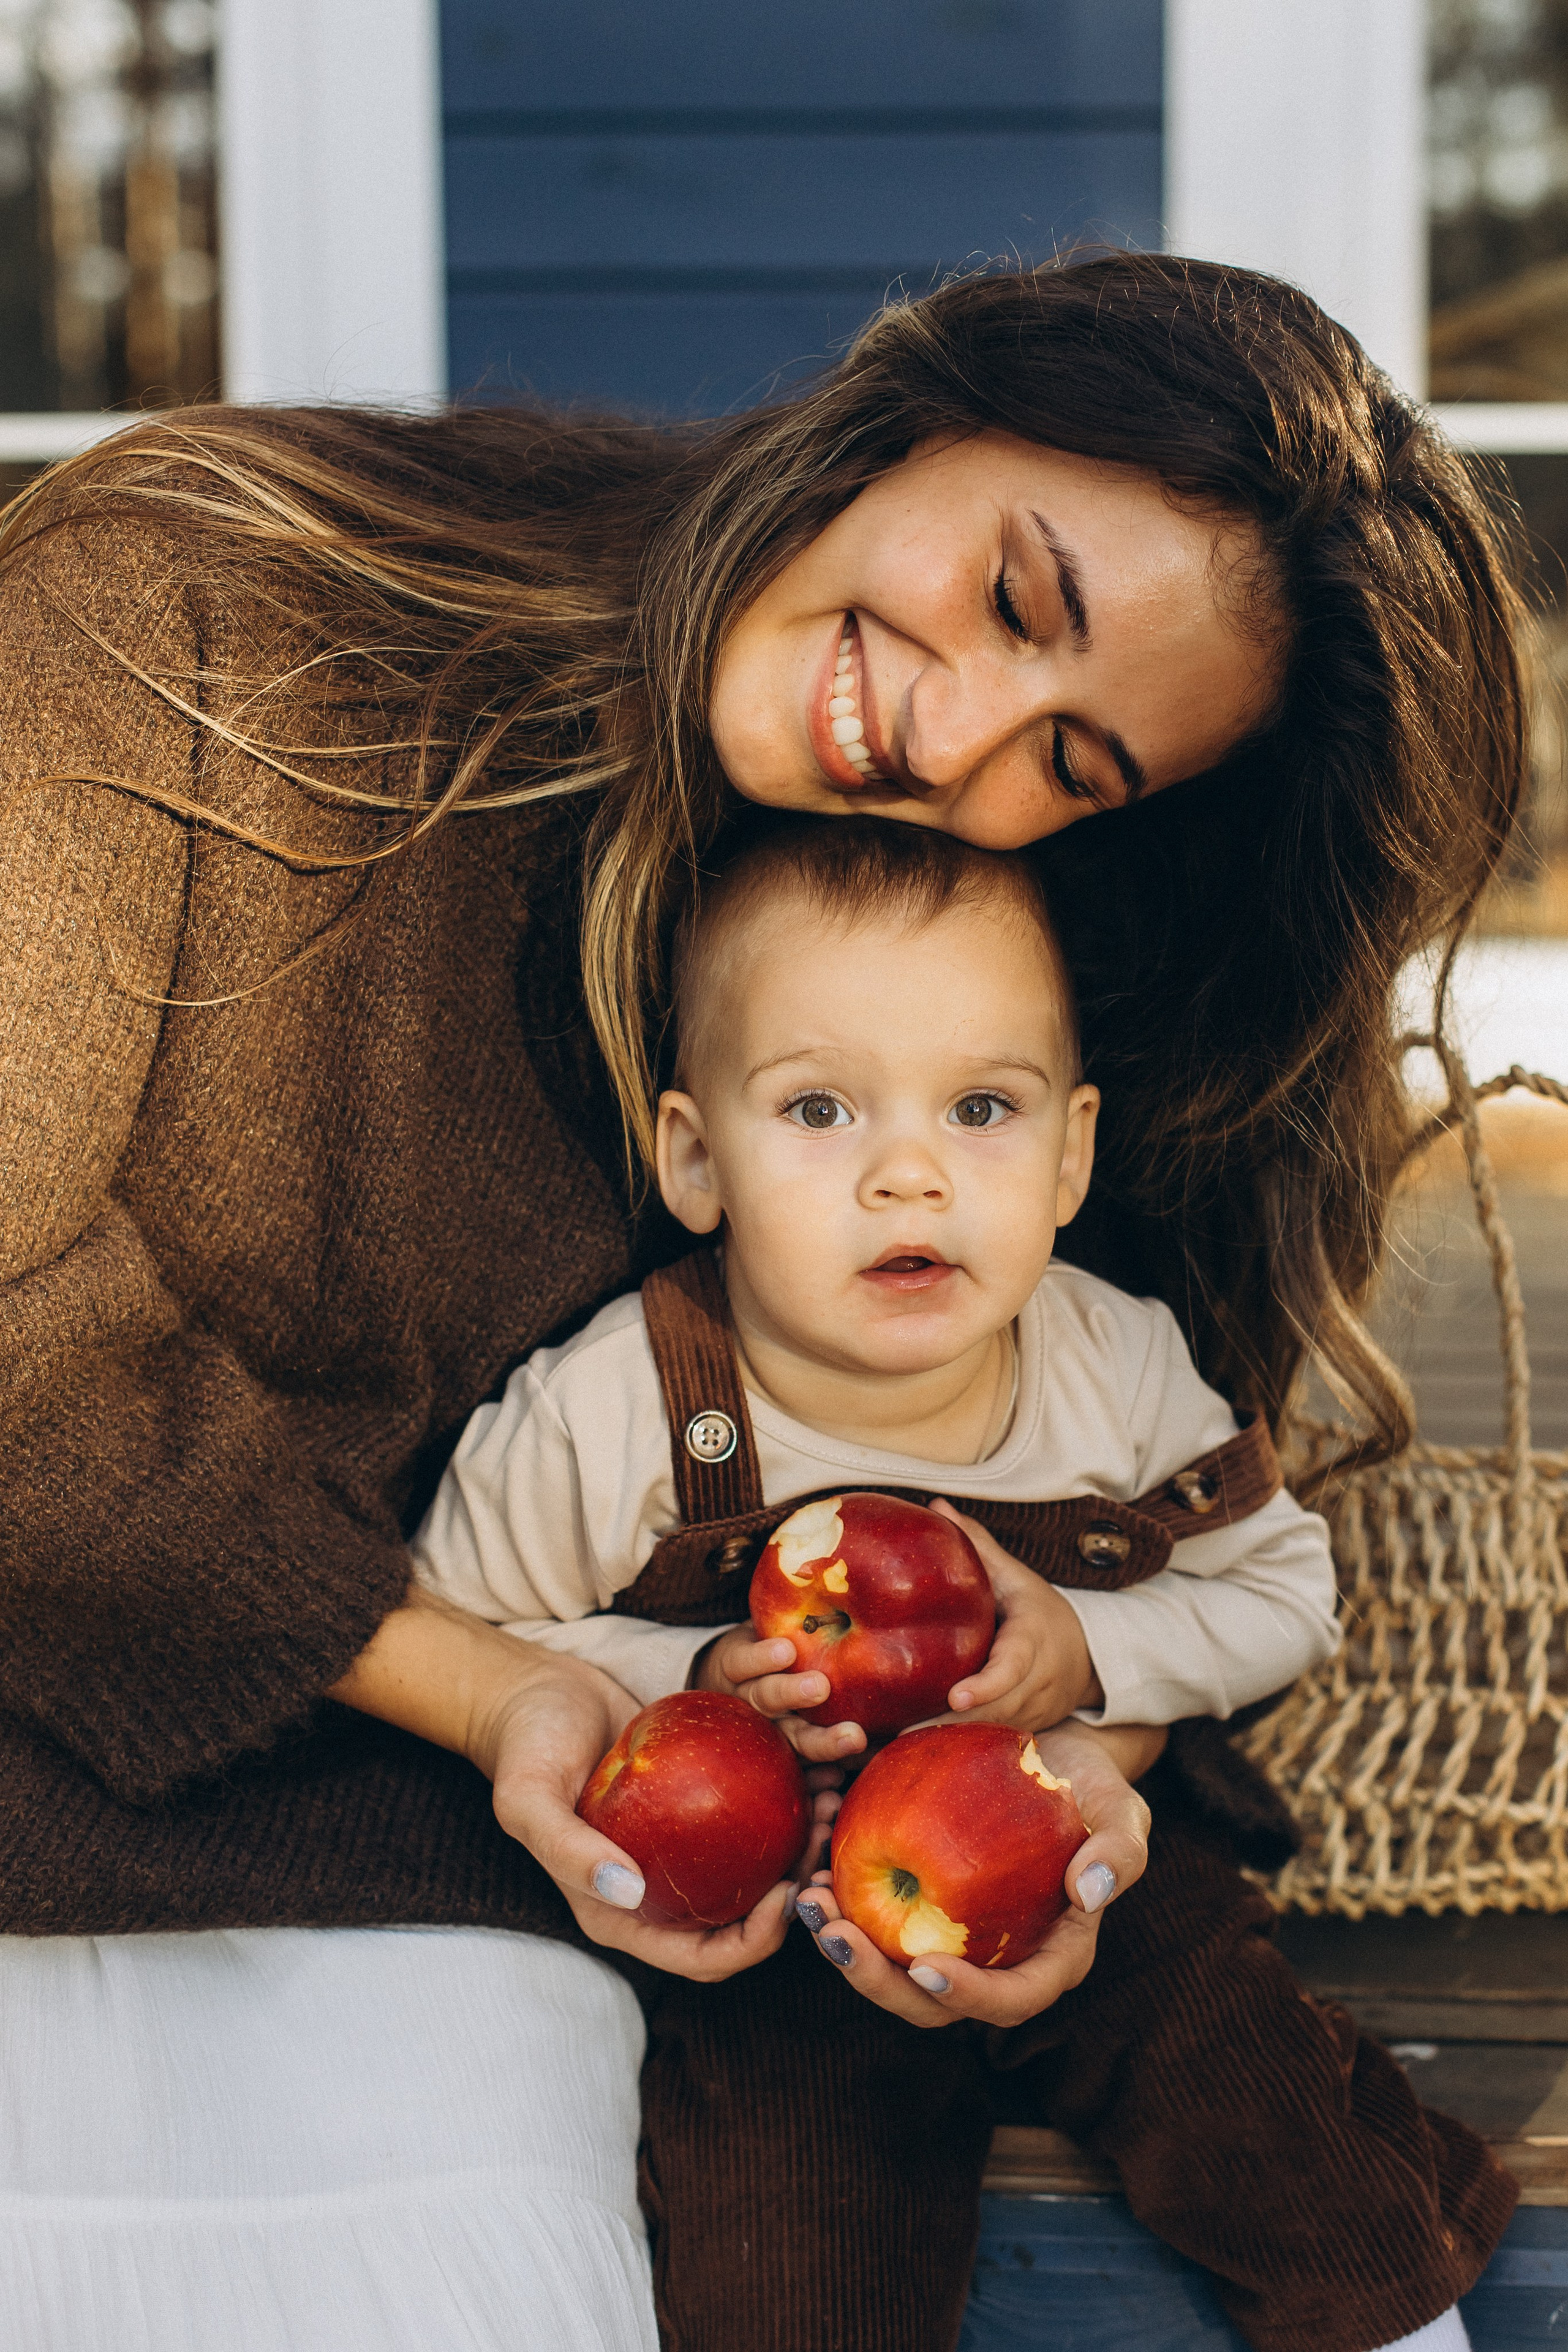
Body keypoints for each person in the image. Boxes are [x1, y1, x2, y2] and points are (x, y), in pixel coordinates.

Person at [0, 253, 1526, 2352]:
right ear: (923, 403)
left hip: (629, 1887)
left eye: (1074, 765)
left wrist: (1091, 1772)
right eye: (1009, 591)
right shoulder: (201, 604)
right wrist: (501, 1696)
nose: (954, 737)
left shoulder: (955, 943)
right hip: (100, 1782)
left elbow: (1120, 1498)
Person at [410, 812, 1483, 2352]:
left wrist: (1089, 1653)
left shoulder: (1108, 1363)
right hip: (778, 1916)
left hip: (1069, 1828)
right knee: (786, 2218)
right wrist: (682, 1686)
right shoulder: (624, 1405)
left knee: (1238, 2065)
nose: (908, 1175)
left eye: (980, 1107)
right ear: (697, 1160)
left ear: (1070, 1157)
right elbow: (462, 1622)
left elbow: (1280, 1590)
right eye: (822, 1109)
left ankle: (1389, 2320)